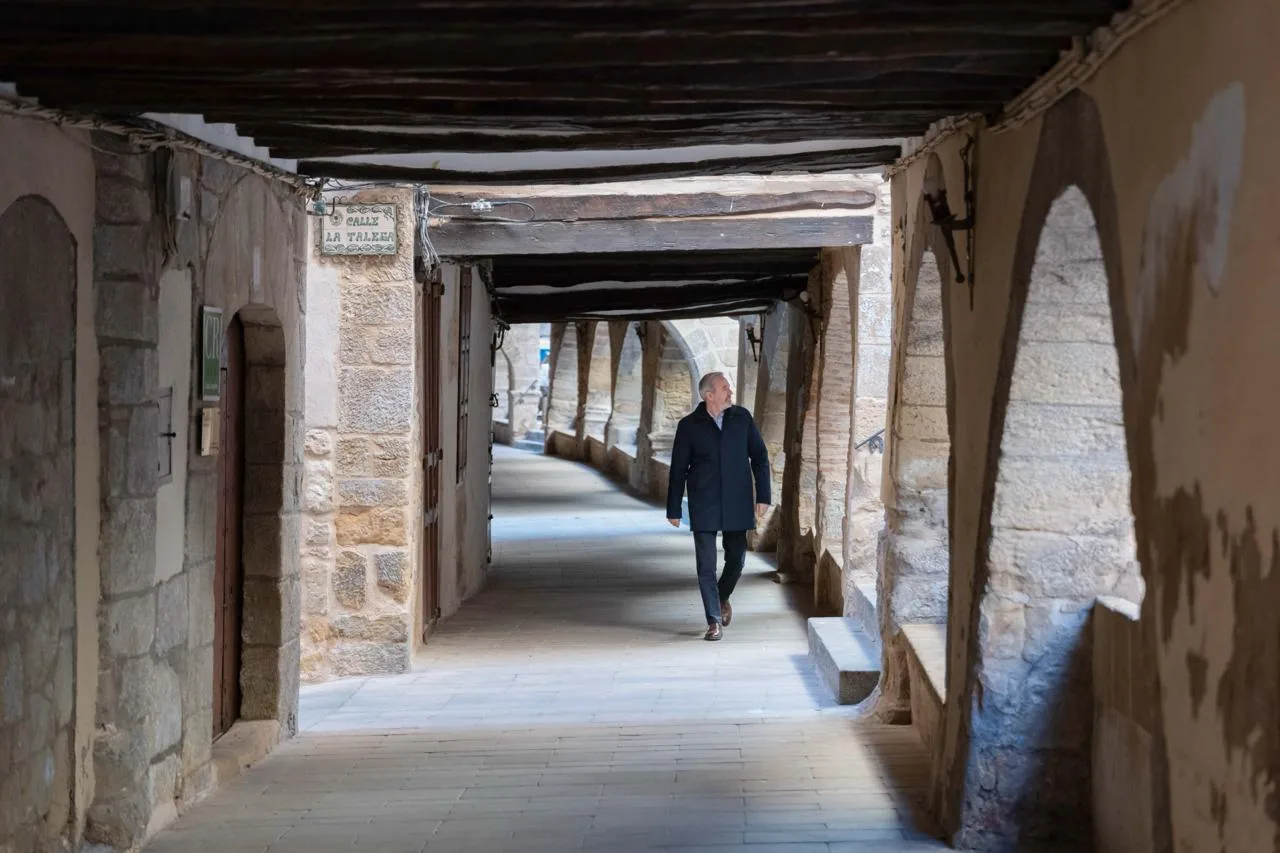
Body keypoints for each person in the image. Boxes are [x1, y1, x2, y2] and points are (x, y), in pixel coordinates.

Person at [666, 372, 771, 641]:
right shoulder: (689, 426)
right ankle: (713, 620)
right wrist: (674, 508)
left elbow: (759, 457)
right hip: (704, 501)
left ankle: (722, 597)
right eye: (725, 388)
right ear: (709, 395)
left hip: (737, 499)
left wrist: (763, 496)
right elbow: (678, 469)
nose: (730, 392)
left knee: (736, 558)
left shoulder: (742, 418)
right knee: (706, 565)